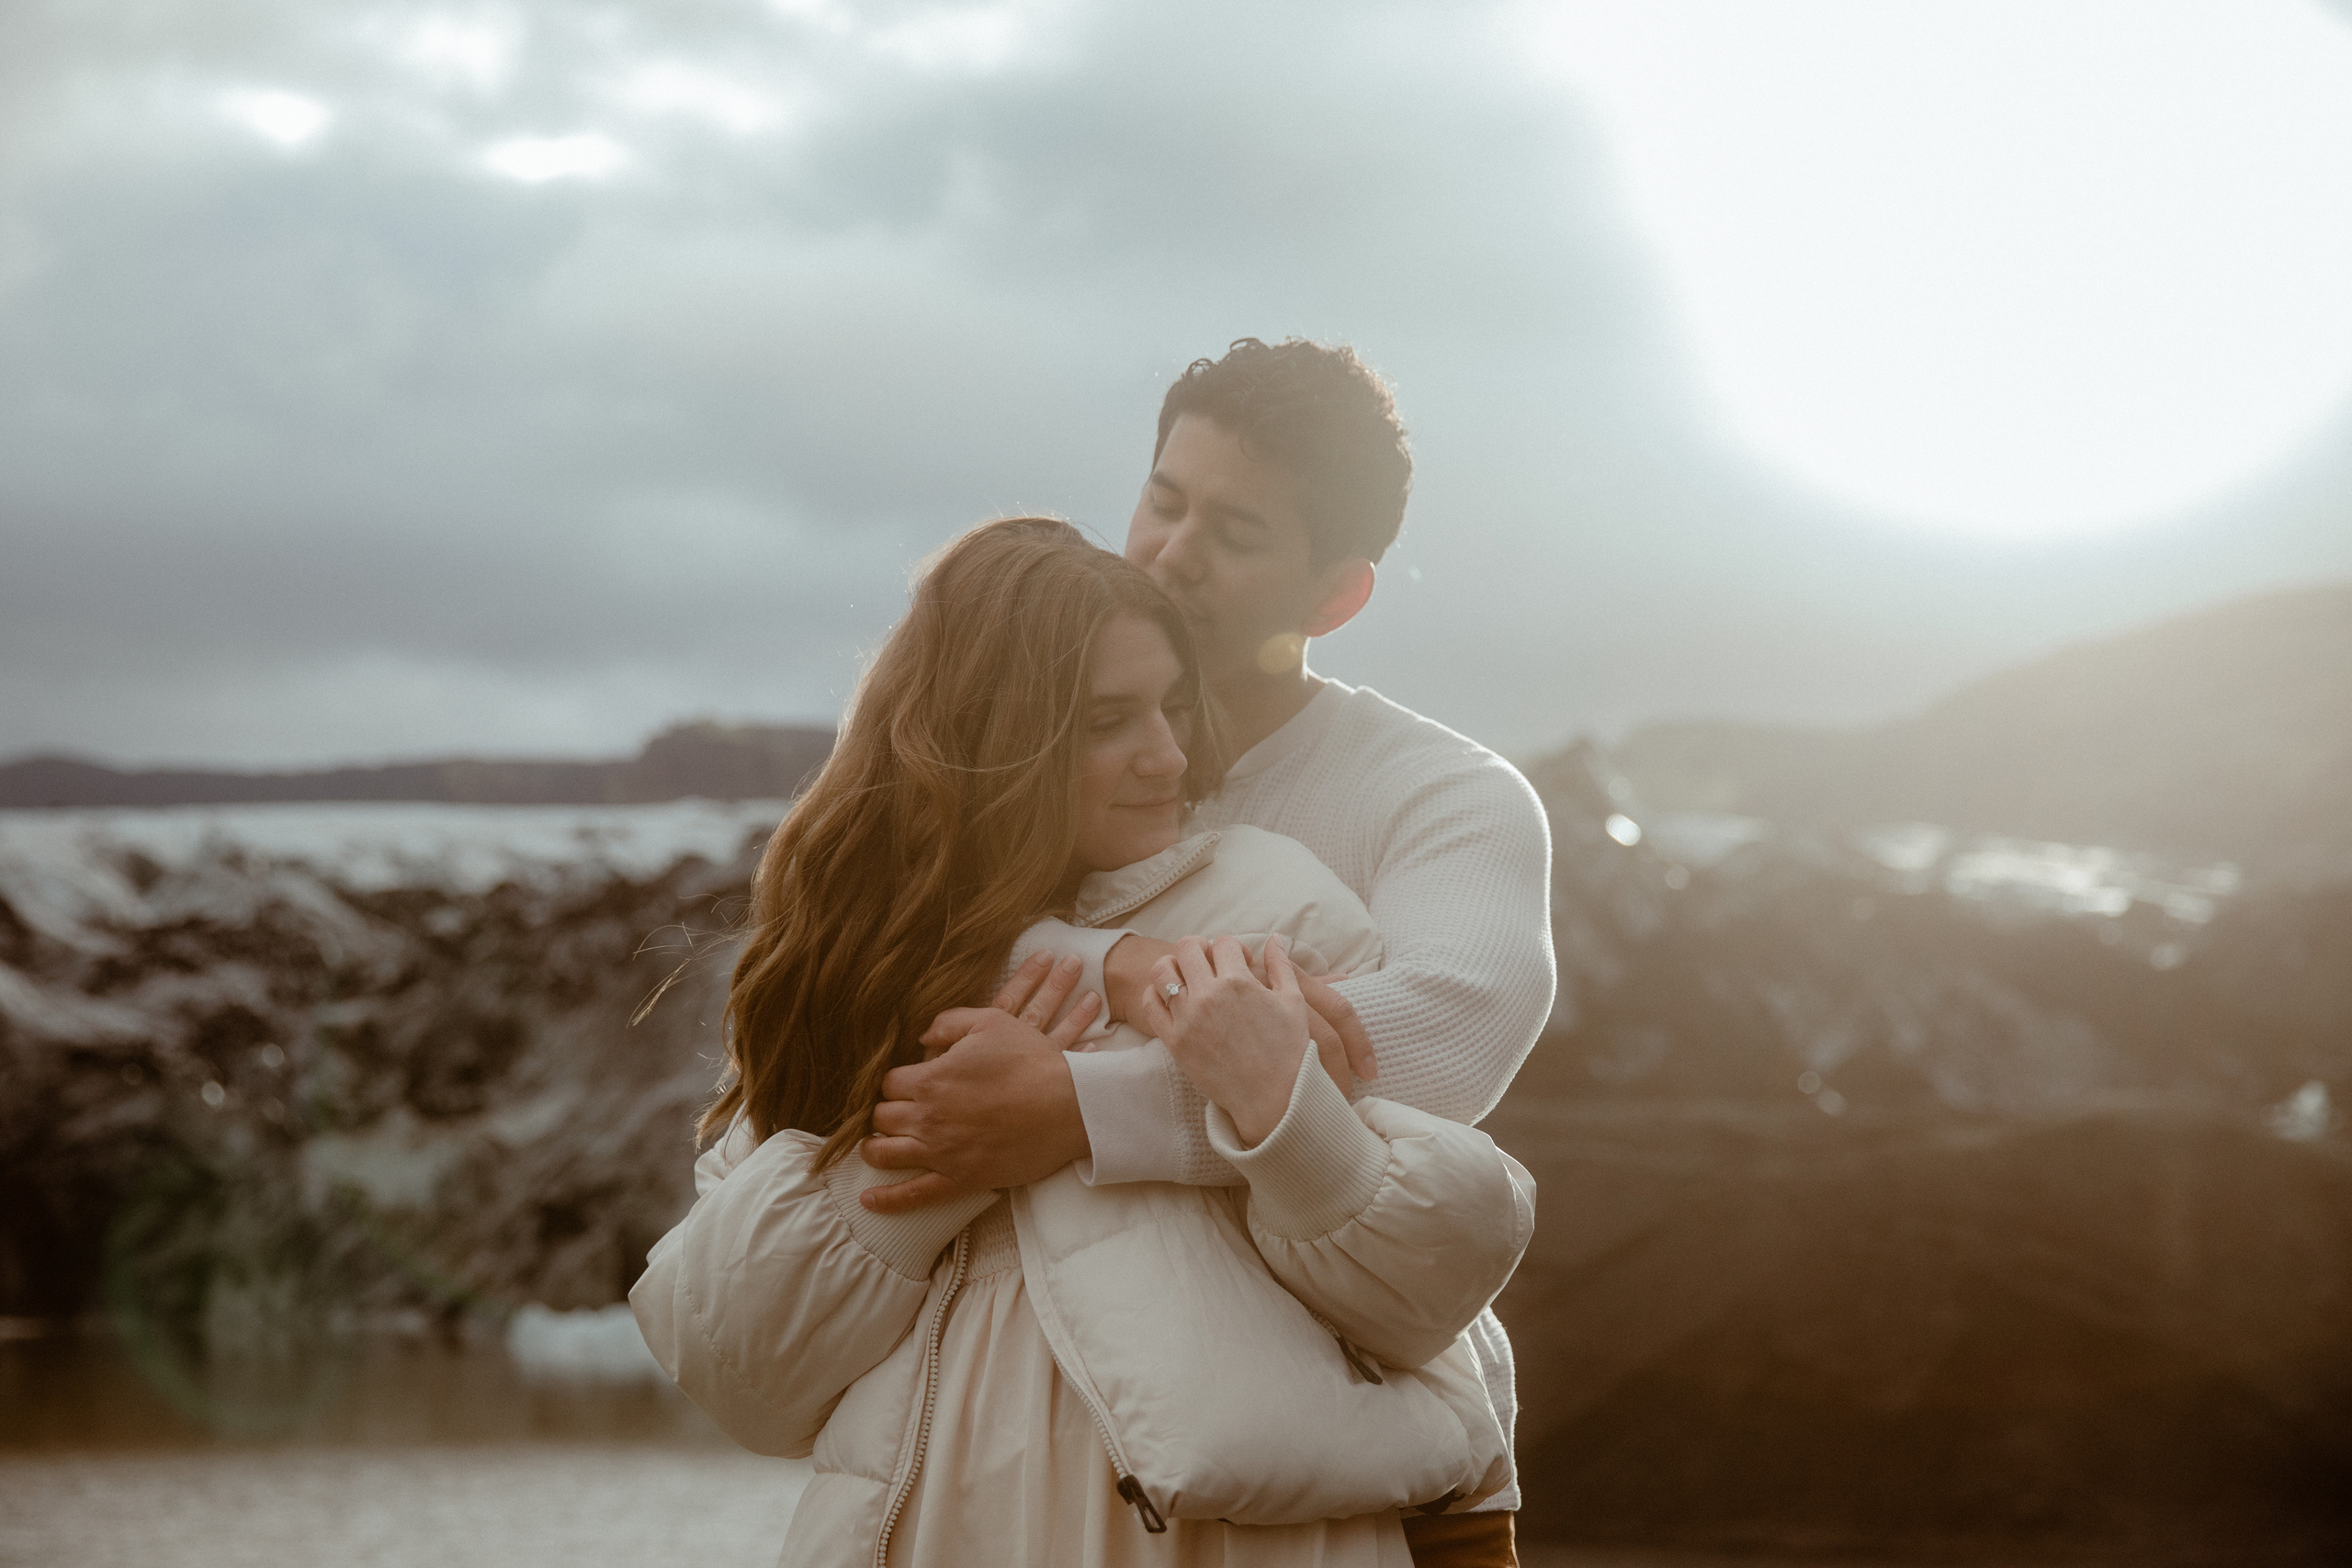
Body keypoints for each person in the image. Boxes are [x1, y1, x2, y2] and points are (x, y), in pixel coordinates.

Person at [633, 516, 1534, 1567]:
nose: (1169, 754)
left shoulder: (1268, 905)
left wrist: (1270, 1111)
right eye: (1109, 719)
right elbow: (742, 1379)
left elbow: (1427, 1301)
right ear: (990, 735)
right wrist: (934, 1150)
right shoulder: (849, 983)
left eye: (1169, 706)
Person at [859, 340, 1555, 1568]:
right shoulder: (1034, 750)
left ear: (1336, 594)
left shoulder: (1442, 795)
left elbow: (1433, 1044)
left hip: (1383, 1473)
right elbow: (892, 936)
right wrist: (1112, 965)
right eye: (1164, 499)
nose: (1171, 553)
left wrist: (1079, 1106)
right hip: (1051, 1475)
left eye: (1235, 531)